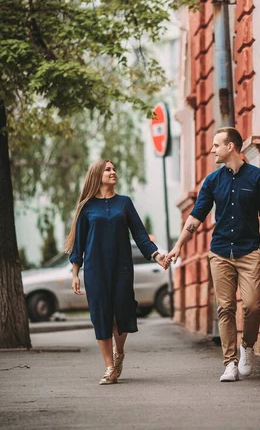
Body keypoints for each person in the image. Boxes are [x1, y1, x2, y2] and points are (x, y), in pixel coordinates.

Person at [167, 127, 260, 382]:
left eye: (217, 145)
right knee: (225, 307)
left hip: (249, 252)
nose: (213, 149)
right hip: (220, 252)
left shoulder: (258, 177)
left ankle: (247, 346)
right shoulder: (213, 181)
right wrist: (179, 245)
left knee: (252, 306)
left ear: (231, 147)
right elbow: (196, 216)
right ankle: (230, 363)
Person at [65, 159, 169, 385]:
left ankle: (119, 352)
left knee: (122, 311)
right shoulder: (87, 206)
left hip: (121, 266)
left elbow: (140, 234)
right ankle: (109, 368)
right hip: (95, 268)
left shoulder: (124, 203)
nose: (113, 172)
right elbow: (79, 242)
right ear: (97, 175)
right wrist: (75, 273)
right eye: (108, 169)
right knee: (101, 314)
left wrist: (156, 255)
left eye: (114, 168)